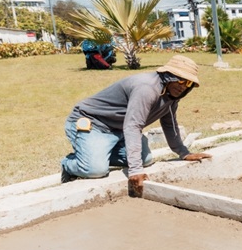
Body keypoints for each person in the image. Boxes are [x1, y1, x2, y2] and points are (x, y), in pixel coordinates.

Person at [60, 55, 212, 197]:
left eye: (188, 83)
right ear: (168, 76)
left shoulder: (171, 95)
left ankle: (97, 154)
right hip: (94, 124)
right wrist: (135, 170)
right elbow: (133, 126)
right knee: (95, 170)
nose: (182, 86)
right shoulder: (146, 88)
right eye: (179, 80)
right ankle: (70, 164)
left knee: (145, 159)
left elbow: (169, 123)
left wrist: (183, 153)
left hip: (120, 129)